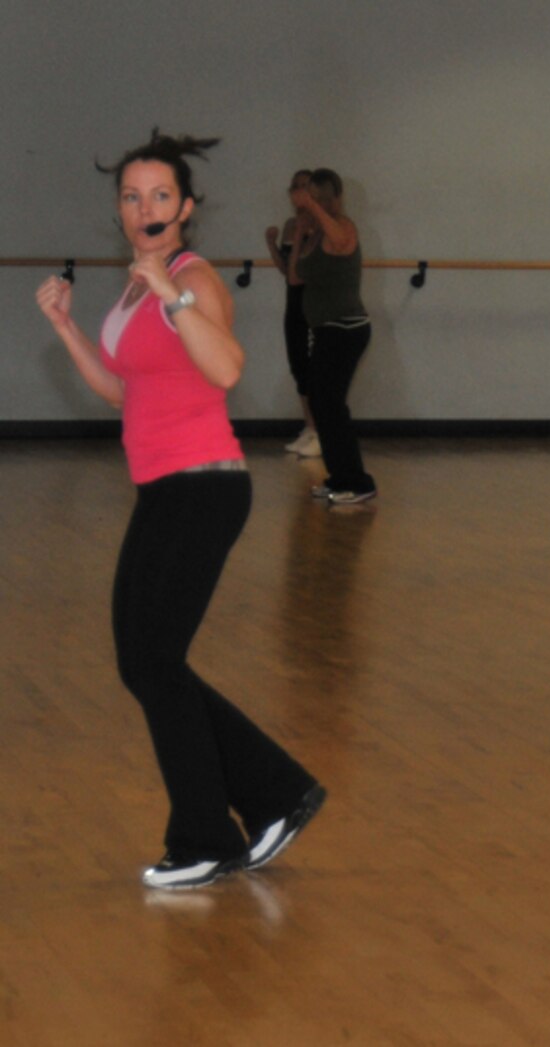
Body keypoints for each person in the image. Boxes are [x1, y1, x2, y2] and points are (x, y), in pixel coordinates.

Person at [33, 131, 325, 890]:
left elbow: (226, 365)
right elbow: (127, 395)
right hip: (163, 484)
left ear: (186, 208)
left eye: (160, 195)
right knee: (144, 660)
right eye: (132, 197)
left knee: (153, 660)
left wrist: (173, 294)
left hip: (205, 483)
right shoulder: (135, 286)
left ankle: (204, 834)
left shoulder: (193, 278)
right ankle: (277, 793)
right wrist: (66, 326)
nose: (145, 208)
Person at [291, 168, 377, 504]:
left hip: (347, 329)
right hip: (327, 331)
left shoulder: (345, 228)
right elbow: (297, 277)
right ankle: (339, 476)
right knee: (321, 404)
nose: (318, 203)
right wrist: (299, 235)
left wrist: (313, 208)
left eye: (322, 197)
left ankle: (357, 482)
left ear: (335, 199)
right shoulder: (315, 235)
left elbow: (339, 241)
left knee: (331, 406)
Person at [264, 169, 319, 458]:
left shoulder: (321, 225)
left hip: (314, 302)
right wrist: (272, 244)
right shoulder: (290, 224)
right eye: (294, 187)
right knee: (298, 363)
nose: (298, 192)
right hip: (293, 301)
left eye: (305, 187)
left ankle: (318, 429)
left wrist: (301, 234)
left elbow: (303, 272)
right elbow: (287, 271)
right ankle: (309, 427)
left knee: (313, 367)